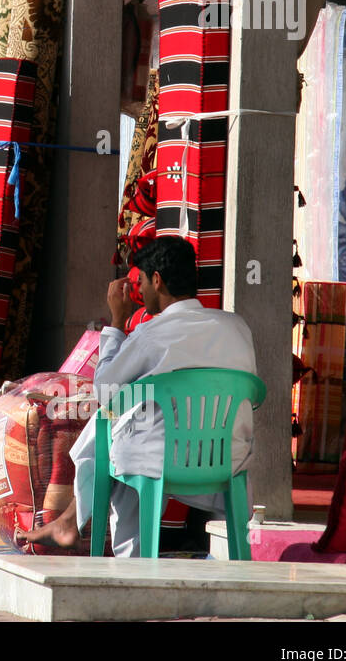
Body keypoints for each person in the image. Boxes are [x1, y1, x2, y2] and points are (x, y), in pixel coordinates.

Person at [21, 236, 257, 556]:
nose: (140, 290)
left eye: (142, 281)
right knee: (132, 413)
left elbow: (105, 390)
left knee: (115, 423)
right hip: (227, 457)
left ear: (156, 280)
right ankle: (69, 522)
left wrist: (117, 322)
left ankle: (125, 556)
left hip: (161, 461)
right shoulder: (237, 327)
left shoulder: (151, 333)